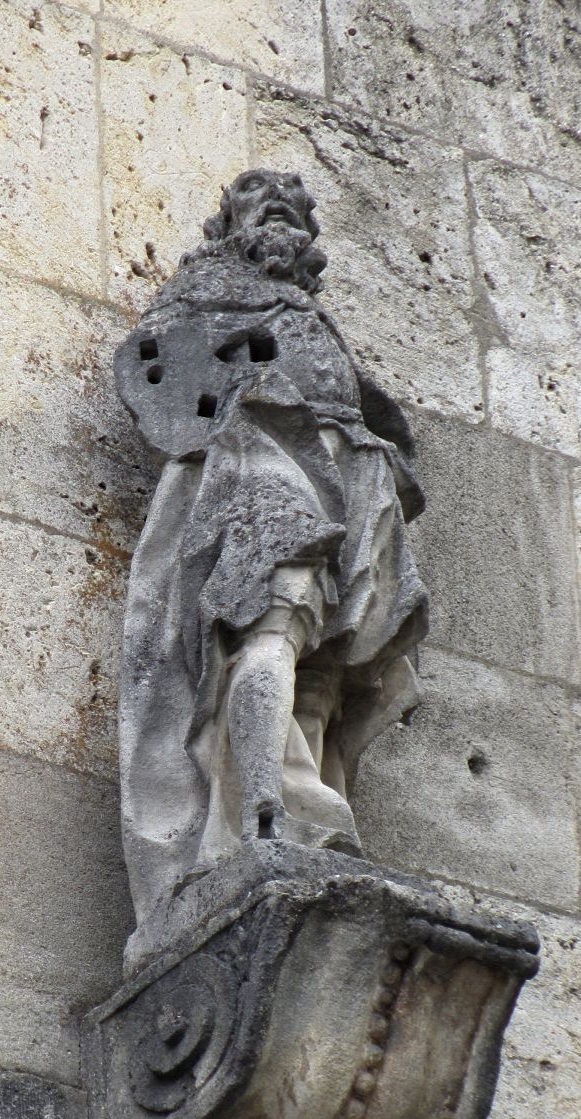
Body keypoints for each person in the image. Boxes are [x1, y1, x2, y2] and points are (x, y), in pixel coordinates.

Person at [115, 168, 429, 930]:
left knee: (331, 657)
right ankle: (258, 811)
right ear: (232, 227)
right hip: (260, 455)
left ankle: (306, 799)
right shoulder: (204, 291)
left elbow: (362, 399)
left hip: (349, 466)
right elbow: (159, 369)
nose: (284, 222)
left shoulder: (307, 312)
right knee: (273, 622)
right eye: (265, 210)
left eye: (296, 215)